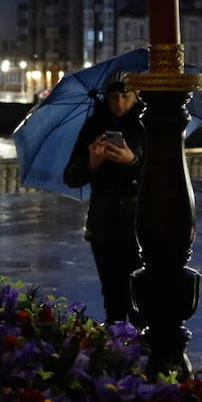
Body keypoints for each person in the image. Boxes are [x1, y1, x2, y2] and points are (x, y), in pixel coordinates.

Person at [62, 74, 145, 325]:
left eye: (125, 96)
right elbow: (71, 176)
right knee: (112, 294)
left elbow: (163, 176)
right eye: (113, 97)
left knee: (139, 295)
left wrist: (132, 161)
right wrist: (92, 163)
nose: (119, 102)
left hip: (138, 225)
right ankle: (117, 351)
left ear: (135, 96)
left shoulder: (147, 126)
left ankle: (142, 351)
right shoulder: (93, 126)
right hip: (103, 223)